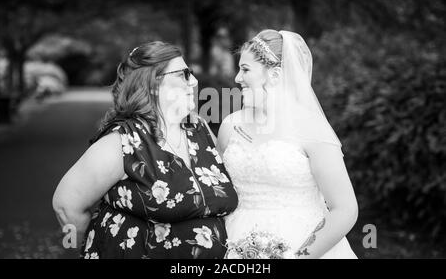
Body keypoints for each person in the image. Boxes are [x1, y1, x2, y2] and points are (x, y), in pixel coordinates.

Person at [53, 41, 238, 259]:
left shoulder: (199, 128)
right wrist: (79, 247)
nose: (194, 81)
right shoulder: (121, 141)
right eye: (184, 74)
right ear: (153, 84)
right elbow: (65, 206)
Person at [217, 30, 358, 258]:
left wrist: (299, 256)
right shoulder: (230, 126)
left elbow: (345, 209)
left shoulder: (312, 130)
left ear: (275, 75)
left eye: (245, 70)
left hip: (303, 244)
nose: (237, 78)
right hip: (235, 242)